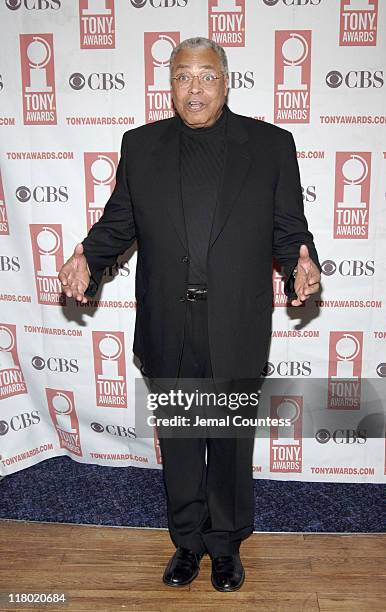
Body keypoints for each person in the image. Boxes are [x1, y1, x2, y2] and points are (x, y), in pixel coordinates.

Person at [58, 37, 321, 592]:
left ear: (226, 82)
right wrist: (89, 256)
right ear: (170, 83)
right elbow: (118, 222)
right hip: (168, 322)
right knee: (179, 442)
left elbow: (289, 230)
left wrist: (304, 263)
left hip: (235, 321)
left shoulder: (272, 146)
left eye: (206, 75)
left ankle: (225, 547)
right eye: (183, 76)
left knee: (227, 444)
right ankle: (187, 544)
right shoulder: (142, 145)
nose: (194, 87)